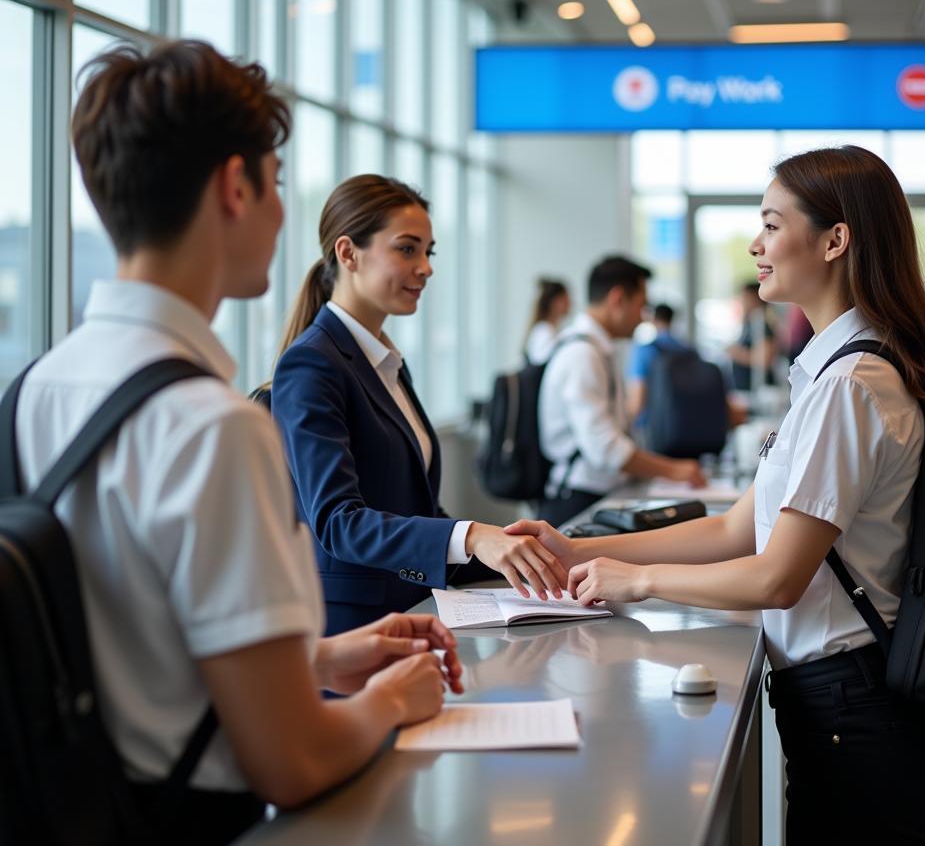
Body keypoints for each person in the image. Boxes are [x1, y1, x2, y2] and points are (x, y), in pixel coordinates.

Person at [12, 41, 463, 842]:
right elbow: (289, 760)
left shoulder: (30, 392)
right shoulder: (213, 427)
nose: (284, 212)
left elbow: (126, 653)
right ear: (234, 187)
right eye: (277, 185)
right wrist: (397, 694)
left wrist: (322, 661)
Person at [510, 146, 925, 845]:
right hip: (851, 713)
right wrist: (579, 548)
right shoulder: (838, 372)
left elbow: (778, 577)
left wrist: (638, 580)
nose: (756, 244)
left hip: (860, 717)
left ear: (836, 240)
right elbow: (734, 530)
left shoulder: (851, 386)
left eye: (773, 224)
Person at [271, 175, 567, 636]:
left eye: (428, 252)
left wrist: (515, 552)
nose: (425, 267)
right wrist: (472, 537)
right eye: (407, 249)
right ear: (348, 253)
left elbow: (419, 512)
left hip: (417, 613)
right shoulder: (313, 364)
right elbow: (337, 522)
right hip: (356, 632)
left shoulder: (385, 363)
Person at [537, 256, 705, 528]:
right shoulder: (582, 355)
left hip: (595, 494)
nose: (643, 317)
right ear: (618, 299)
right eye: (641, 305)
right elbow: (605, 448)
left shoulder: (598, 350)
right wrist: (675, 470)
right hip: (578, 501)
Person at [625, 302, 688, 426]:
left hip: (653, 427)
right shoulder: (688, 351)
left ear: (653, 319)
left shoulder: (644, 351)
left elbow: (637, 401)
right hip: (683, 424)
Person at [727, 281, 777, 391]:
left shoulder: (762, 325)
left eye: (745, 297)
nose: (742, 302)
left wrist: (737, 353)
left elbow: (764, 359)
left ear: (755, 298)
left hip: (757, 391)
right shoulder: (750, 323)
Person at [524, 277, 571, 364]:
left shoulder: (551, 330)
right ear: (554, 302)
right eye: (565, 299)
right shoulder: (543, 331)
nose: (570, 303)